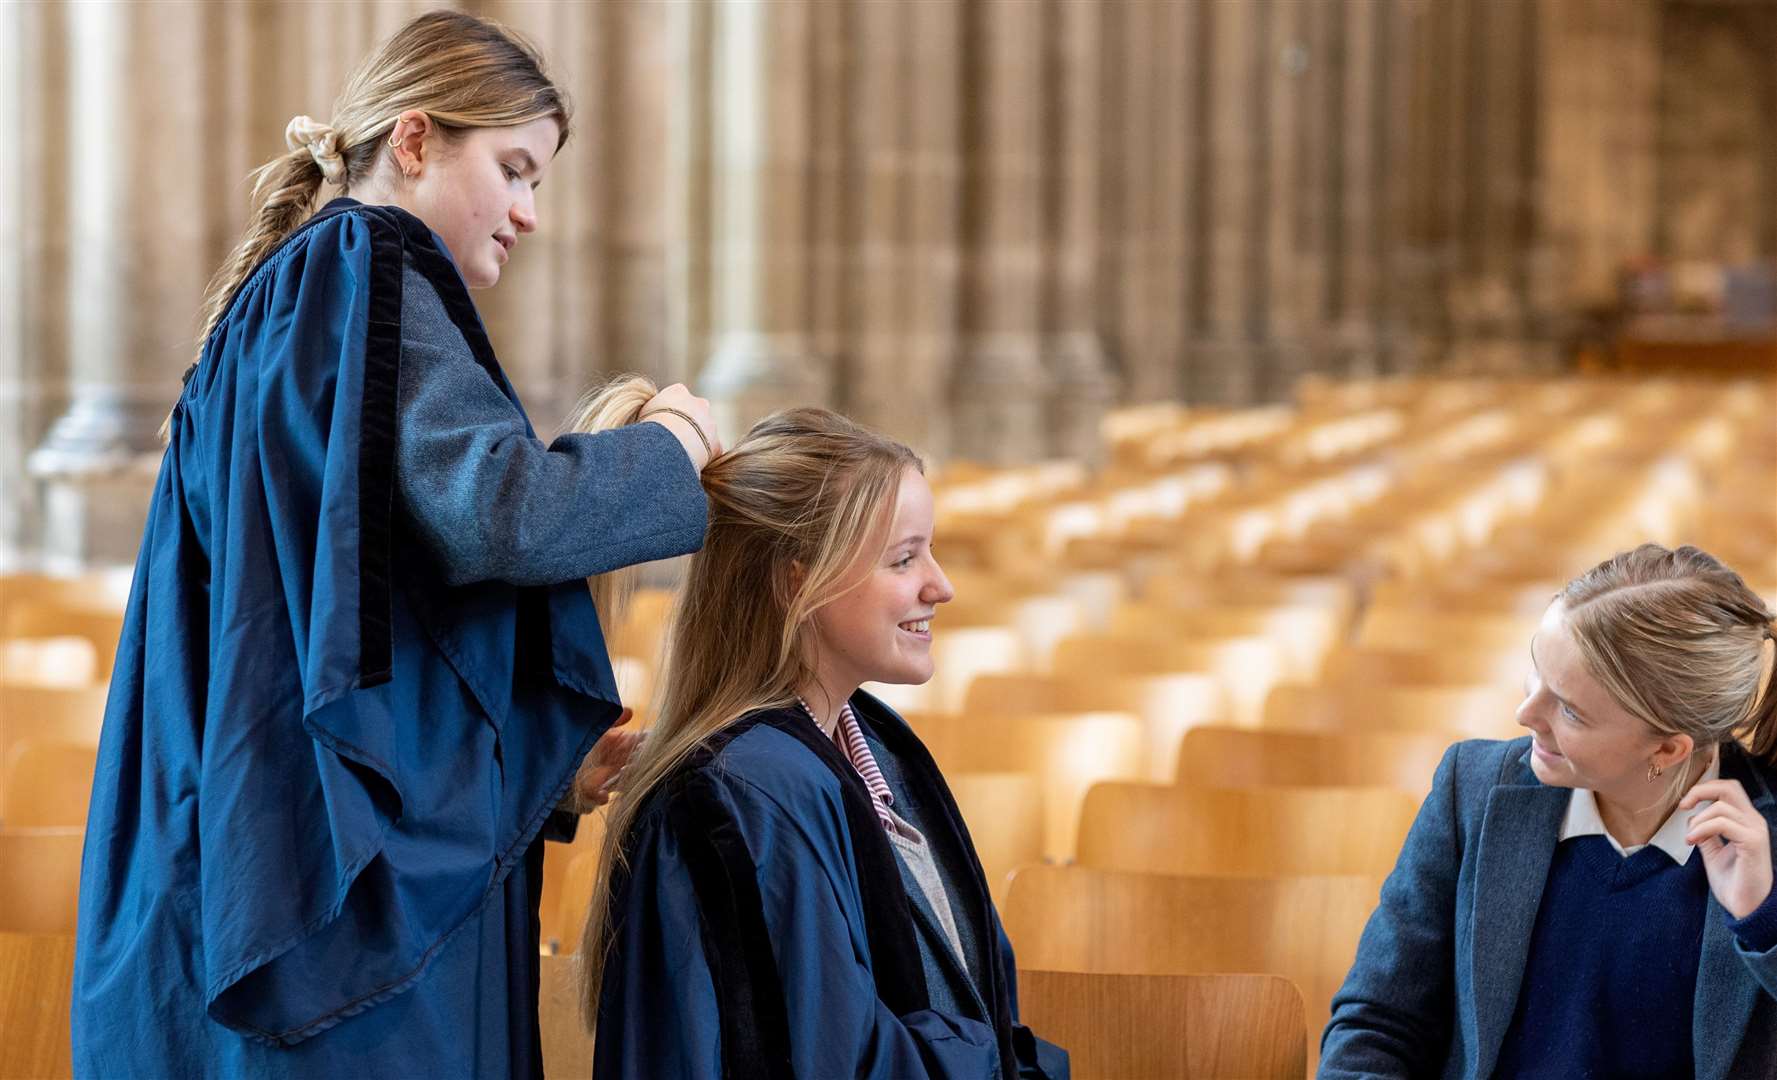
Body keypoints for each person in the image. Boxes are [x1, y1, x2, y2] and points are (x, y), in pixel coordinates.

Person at [71, 11, 718, 1077]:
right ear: (413, 143)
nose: (530, 212)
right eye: (513, 169)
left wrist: (533, 770)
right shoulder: (370, 269)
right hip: (326, 915)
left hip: (242, 851)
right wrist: (670, 446)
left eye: (540, 182)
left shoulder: (282, 295)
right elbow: (502, 513)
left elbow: (350, 624)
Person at [567, 384, 1069, 1079]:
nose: (940, 585)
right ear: (797, 582)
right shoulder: (757, 792)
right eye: (903, 559)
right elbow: (838, 1062)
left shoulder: (871, 745)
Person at [1320, 543, 1777, 1079]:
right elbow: (1378, 1022)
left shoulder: (1763, 842)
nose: (1524, 713)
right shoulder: (1471, 789)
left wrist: (1762, 923)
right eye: (1536, 672)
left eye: (1569, 710)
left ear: (1667, 749)